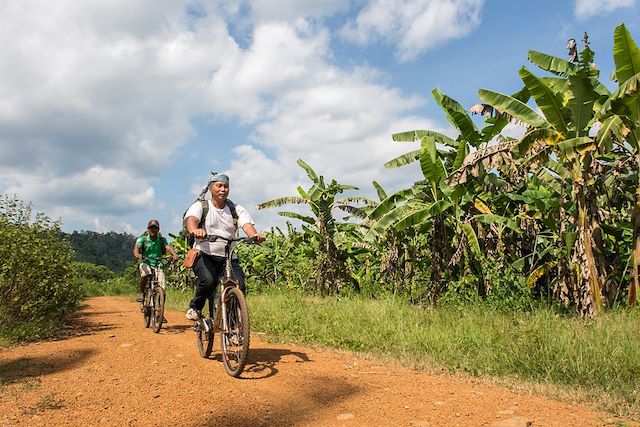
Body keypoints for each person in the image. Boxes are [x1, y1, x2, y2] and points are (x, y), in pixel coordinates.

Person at [184, 173, 265, 321]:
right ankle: (195, 306)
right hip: (204, 254)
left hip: (229, 256)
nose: (222, 189)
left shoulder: (236, 209)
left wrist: (254, 235)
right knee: (208, 280)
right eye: (219, 186)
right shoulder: (201, 206)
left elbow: (247, 225)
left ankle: (234, 326)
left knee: (239, 286)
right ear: (211, 189)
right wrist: (195, 230)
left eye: (225, 186)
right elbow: (192, 220)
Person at [133, 219, 179, 304]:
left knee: (163, 288)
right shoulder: (142, 239)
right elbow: (136, 248)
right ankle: (142, 292)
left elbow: (168, 247)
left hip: (158, 264)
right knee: (145, 273)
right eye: (151, 228)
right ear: (148, 229)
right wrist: (137, 255)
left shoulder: (162, 240)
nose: (153, 230)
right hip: (146, 262)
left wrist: (174, 254)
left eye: (155, 228)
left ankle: (160, 312)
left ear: (158, 230)